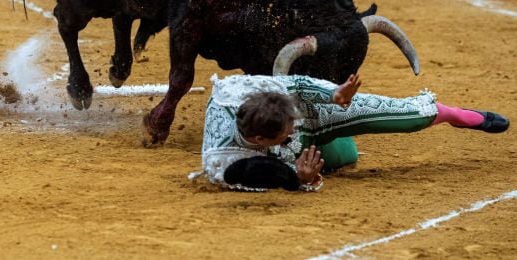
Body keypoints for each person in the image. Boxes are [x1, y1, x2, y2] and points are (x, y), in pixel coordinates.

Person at [189, 72, 510, 192]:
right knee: (345, 157)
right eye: (286, 131)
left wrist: (334, 95)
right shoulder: (223, 159)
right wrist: (297, 178)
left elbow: (297, 85)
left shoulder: (237, 91)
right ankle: (329, 144)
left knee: (398, 113)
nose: (292, 129)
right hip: (294, 154)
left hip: (311, 110)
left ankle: (454, 115)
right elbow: (257, 175)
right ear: (260, 140)